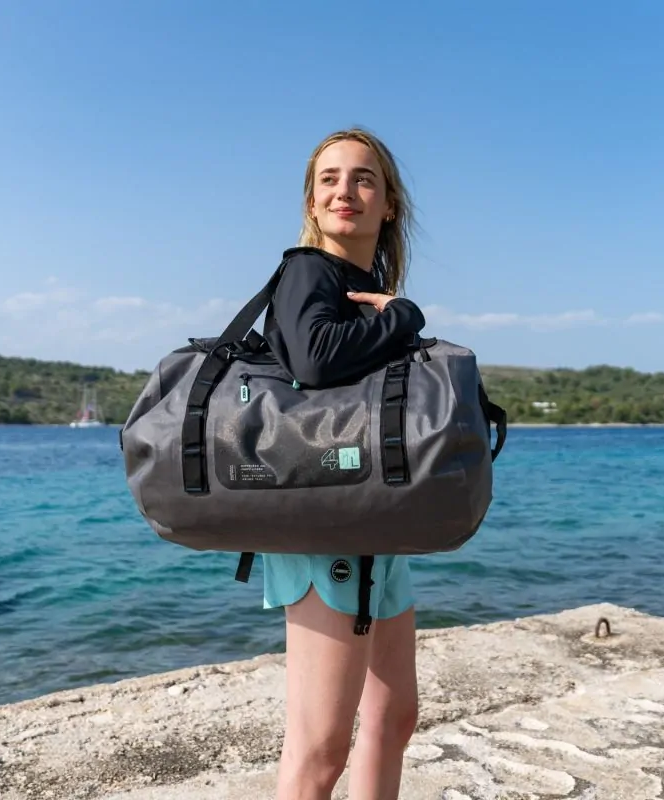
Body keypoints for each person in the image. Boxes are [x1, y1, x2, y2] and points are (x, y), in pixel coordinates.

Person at [261, 128, 427, 800]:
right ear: (311, 200)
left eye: (363, 178)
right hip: (325, 525)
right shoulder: (309, 270)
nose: (344, 191)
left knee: (393, 715)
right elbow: (314, 359)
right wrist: (405, 317)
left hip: (372, 521)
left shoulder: (366, 286)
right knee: (320, 749)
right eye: (328, 179)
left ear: (389, 204)